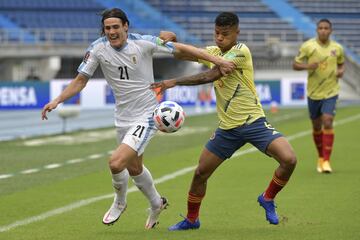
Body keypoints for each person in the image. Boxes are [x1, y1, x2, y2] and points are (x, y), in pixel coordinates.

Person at [41, 8, 235, 229]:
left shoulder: (143, 43)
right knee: (134, 169)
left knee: (116, 163)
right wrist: (57, 100)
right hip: (122, 118)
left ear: (126, 26)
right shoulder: (97, 49)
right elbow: (80, 81)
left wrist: (216, 60)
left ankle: (120, 202)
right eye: (107, 28)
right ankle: (156, 203)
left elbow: (182, 48)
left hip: (147, 116)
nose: (112, 32)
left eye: (116, 27)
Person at [151, 12, 297, 230]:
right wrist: (170, 41)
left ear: (237, 32)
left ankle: (267, 198)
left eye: (225, 34)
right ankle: (192, 219)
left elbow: (209, 76)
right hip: (227, 130)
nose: (220, 38)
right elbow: (183, 54)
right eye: (217, 33)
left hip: (254, 123)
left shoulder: (241, 52)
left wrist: (173, 82)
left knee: (289, 160)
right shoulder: (213, 52)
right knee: (200, 173)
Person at [293, 19, 345, 173]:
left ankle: (327, 161)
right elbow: (295, 64)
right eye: (320, 28)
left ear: (331, 30)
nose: (323, 30)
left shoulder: (337, 48)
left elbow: (341, 63)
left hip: (331, 92)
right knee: (316, 126)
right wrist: (307, 66)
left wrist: (341, 71)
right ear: (317, 30)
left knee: (327, 121)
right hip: (313, 93)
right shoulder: (308, 46)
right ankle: (321, 157)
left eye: (326, 28)